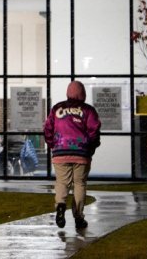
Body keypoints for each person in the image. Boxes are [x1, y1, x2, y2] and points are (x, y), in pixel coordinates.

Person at [43, 80, 101, 230]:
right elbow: (94, 130)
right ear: (83, 93)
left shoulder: (57, 108)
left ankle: (61, 205)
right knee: (79, 184)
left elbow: (48, 128)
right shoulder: (88, 110)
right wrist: (91, 147)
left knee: (62, 182)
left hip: (60, 151)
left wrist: (52, 144)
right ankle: (78, 217)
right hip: (81, 153)